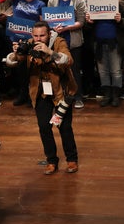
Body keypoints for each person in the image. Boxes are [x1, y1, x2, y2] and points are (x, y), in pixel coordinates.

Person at [6, 20, 79, 175]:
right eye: (36, 36)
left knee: (64, 127)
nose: (38, 39)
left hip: (61, 91)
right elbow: (11, 63)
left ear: (49, 34)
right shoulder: (29, 44)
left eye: (42, 36)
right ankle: (51, 160)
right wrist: (15, 53)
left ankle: (71, 159)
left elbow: (69, 60)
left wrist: (50, 52)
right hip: (40, 91)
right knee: (44, 127)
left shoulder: (58, 41)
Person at [47, 0, 87, 108]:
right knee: (58, 68)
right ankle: (61, 96)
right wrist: (54, 28)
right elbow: (50, 20)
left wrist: (65, 28)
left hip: (73, 39)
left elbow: (81, 22)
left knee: (74, 70)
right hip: (58, 39)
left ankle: (78, 97)